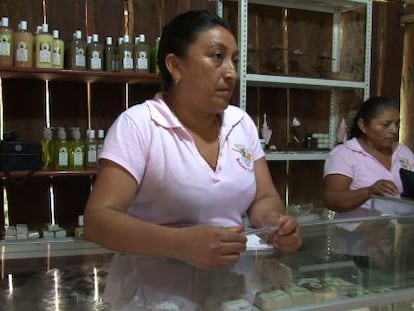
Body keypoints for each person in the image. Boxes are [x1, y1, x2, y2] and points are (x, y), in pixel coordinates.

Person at [84, 10, 301, 271]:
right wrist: (179, 243)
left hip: (230, 289)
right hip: (153, 292)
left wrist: (274, 223)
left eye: (234, 60)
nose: (231, 73)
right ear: (175, 66)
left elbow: (264, 196)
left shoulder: (240, 123)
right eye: (217, 57)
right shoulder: (139, 125)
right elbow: (98, 221)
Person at [323, 96, 414, 218]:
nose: (394, 130)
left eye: (397, 124)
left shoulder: (403, 152)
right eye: (386, 124)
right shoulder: (345, 154)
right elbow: (332, 200)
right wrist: (369, 191)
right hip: (356, 234)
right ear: (363, 125)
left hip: (399, 232)